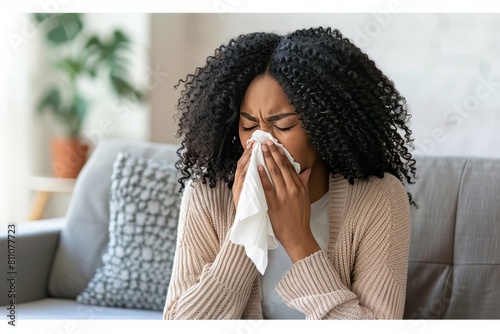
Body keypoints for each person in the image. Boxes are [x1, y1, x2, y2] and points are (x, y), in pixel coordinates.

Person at [163, 26, 417, 320]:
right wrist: (246, 228)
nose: (262, 141)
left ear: (326, 127)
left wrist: (299, 241)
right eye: (248, 125)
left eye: (282, 126)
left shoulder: (378, 199)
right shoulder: (208, 194)